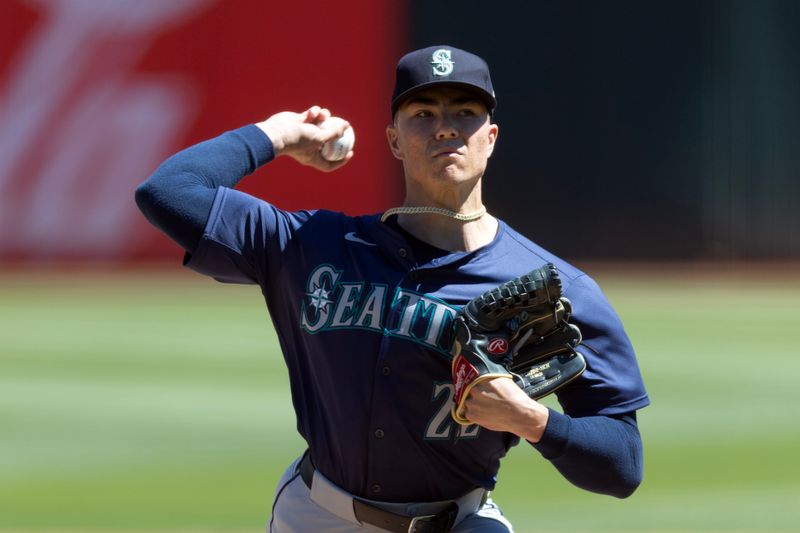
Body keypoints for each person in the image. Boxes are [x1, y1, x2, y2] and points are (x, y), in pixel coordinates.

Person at [136, 45, 649, 533]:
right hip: (316, 514)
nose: (445, 127)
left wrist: (533, 420)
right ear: (395, 141)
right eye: (422, 114)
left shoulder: (556, 289)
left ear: (490, 137)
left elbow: (621, 464)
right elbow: (168, 192)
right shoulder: (314, 246)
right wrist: (280, 133)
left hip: (459, 519)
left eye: (464, 113)